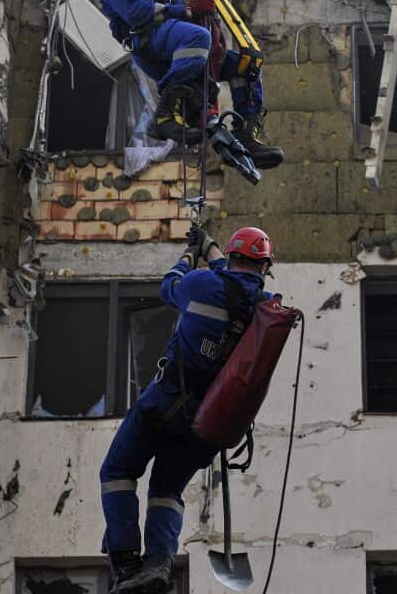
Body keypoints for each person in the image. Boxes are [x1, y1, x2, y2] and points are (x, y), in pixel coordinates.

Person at [99, 226, 277, 593]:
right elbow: (239, 284)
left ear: (232, 257)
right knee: (166, 490)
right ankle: (159, 564)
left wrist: (188, 254)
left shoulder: (198, 283)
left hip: (162, 404)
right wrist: (209, 247)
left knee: (117, 471)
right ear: (264, 267)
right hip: (207, 422)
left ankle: (126, 562)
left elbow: (169, 285)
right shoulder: (264, 307)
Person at [100, 0, 284, 168]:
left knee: (246, 65)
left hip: (174, 40)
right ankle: (165, 114)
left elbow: (178, 7)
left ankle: (247, 134)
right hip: (148, 42)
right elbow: (135, 12)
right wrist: (185, 11)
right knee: (198, 37)